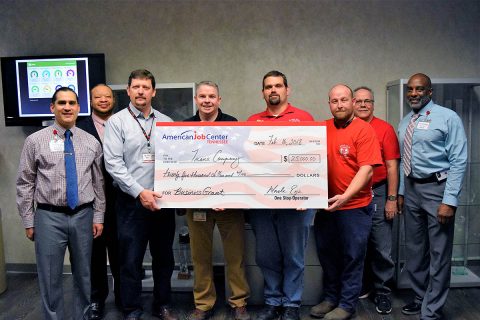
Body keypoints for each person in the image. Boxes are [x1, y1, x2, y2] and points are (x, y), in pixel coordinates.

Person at [16, 87, 105, 320]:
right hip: (48, 216)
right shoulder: (35, 141)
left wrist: (98, 217)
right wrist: (28, 220)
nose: (67, 107)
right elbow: (25, 183)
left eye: (72, 103)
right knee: (49, 275)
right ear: (52, 107)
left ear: (78, 108)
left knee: (84, 275)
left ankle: (83, 317)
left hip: (83, 215)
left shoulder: (91, 142)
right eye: (62, 103)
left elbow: (98, 184)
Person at [104, 69, 177, 320]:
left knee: (164, 259)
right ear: (128, 91)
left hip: (162, 202)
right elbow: (113, 164)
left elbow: (178, 161)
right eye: (136, 87)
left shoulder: (167, 122)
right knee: (130, 259)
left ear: (153, 92)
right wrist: (139, 192)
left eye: (145, 87)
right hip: (131, 203)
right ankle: (132, 308)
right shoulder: (117, 122)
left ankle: (163, 304)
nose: (140, 92)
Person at [398, 73, 467, 319]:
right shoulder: (406, 121)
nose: (413, 93)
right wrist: (401, 193)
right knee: (415, 250)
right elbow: (403, 160)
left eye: (419, 89)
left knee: (439, 253)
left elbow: (459, 160)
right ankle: (420, 297)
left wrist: (449, 201)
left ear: (430, 92)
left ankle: (432, 309)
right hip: (412, 190)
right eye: (410, 89)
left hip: (438, 190)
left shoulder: (448, 117)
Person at [247, 70, 316, 320]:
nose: (273, 90)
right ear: (263, 92)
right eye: (268, 87)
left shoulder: (304, 118)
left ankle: (292, 304)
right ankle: (273, 301)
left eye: (278, 86)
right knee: (266, 255)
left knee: (294, 255)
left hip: (297, 203)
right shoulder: (253, 122)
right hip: (261, 203)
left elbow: (314, 160)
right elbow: (245, 164)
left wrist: (306, 194)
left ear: (288, 90)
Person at [310, 84, 382, 320]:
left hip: (355, 207)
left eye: (343, 100)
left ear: (352, 102)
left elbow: (367, 170)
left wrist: (346, 196)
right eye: (334, 101)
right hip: (327, 206)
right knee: (328, 254)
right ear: (328, 103)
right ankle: (331, 298)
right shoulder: (322, 128)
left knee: (352, 256)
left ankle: (347, 304)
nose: (339, 105)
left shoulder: (364, 130)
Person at [183, 81, 250, 320]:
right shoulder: (184, 128)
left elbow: (242, 164)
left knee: (236, 255)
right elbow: (180, 166)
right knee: (200, 257)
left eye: (212, 96)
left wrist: (228, 194)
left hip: (229, 204)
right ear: (196, 99)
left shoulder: (233, 125)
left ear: (219, 100)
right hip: (197, 205)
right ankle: (203, 303)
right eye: (202, 96)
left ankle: (238, 301)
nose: (207, 100)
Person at [353, 86, 400, 314]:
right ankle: (361, 285)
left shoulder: (385, 129)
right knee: (356, 243)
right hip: (352, 194)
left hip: (378, 192)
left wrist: (391, 198)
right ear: (352, 103)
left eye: (367, 101)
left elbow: (392, 166)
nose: (363, 105)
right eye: (359, 101)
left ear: (373, 104)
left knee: (381, 247)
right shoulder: (347, 127)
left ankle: (382, 292)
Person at [77, 84, 121, 319]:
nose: (103, 100)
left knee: (121, 251)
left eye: (107, 96)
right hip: (92, 200)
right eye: (98, 97)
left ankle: (124, 297)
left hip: (123, 200)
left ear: (113, 99)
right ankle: (97, 299)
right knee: (95, 252)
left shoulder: (124, 122)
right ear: (90, 101)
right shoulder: (79, 127)